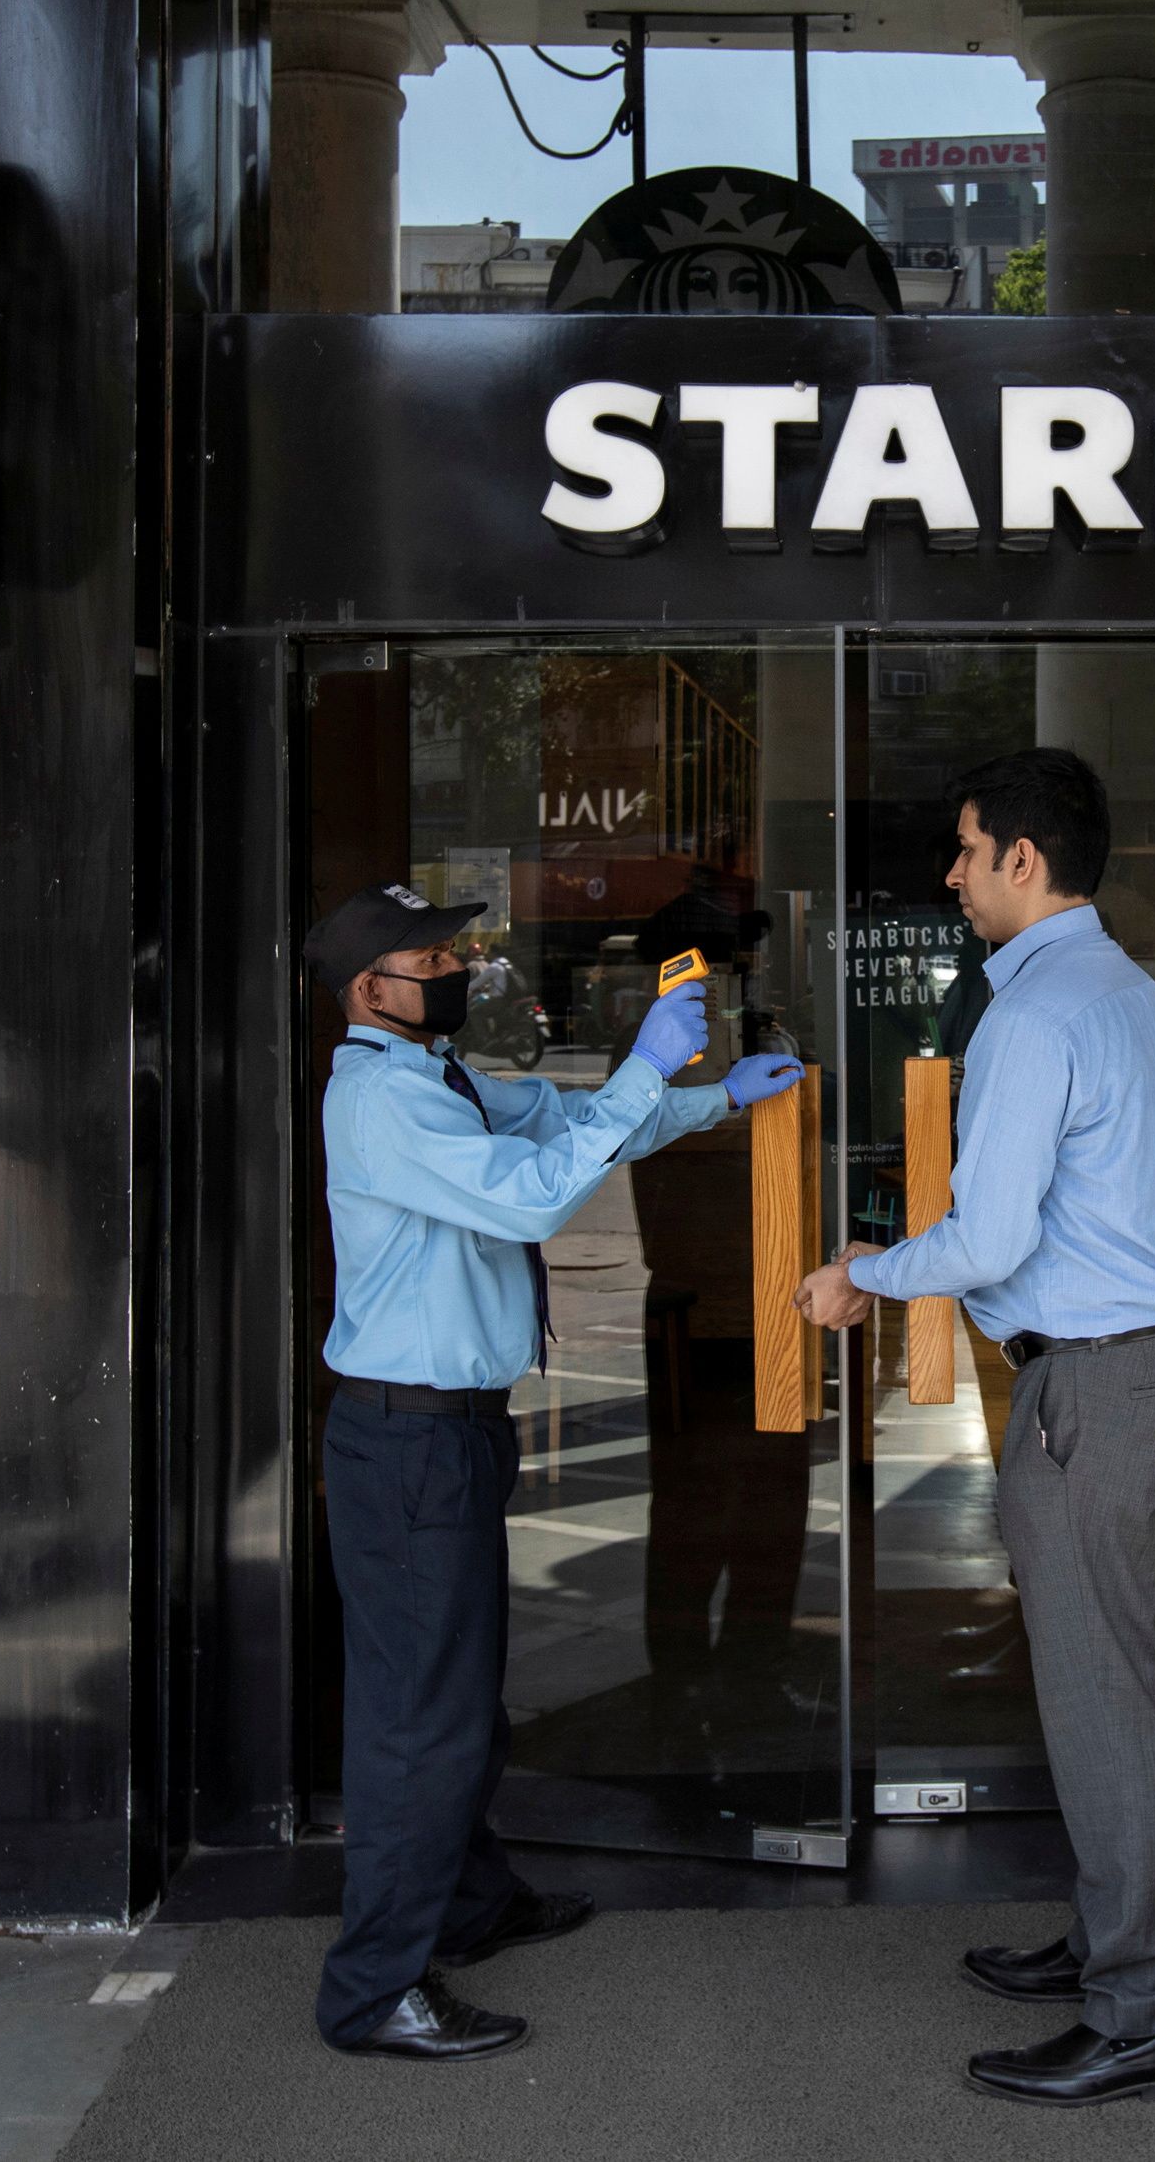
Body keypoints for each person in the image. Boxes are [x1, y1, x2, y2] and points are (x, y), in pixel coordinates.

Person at [792, 749, 1155, 2109]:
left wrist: (862, 1269)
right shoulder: (1128, 991)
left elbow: (993, 1231)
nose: (953, 874)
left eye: (967, 849)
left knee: (1104, 1706)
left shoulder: (1034, 1015)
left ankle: (1144, 2009)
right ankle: (1112, 1940)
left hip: (1100, 1391)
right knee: (1128, 1686)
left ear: (1024, 859)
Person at [302, 882, 801, 2062]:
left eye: (456, 947)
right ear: (370, 990)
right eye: (431, 955)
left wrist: (705, 1097)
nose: (458, 965)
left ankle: (471, 1904)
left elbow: (575, 1124)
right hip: (410, 1440)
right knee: (420, 1722)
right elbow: (535, 1190)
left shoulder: (444, 1084)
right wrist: (645, 1067)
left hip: (452, 1431)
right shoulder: (380, 1104)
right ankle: (375, 1987)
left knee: (461, 1703)